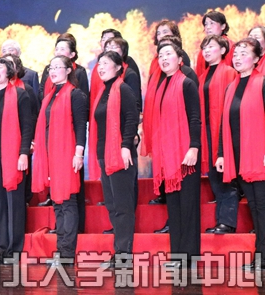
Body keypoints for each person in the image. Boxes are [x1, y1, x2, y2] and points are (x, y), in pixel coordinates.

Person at [148, 41, 201, 268]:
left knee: (188, 207)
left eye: (168, 54)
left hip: (186, 154)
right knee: (174, 207)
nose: (163, 58)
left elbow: (195, 118)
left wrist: (194, 147)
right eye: (160, 55)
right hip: (168, 157)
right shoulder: (161, 86)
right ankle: (178, 255)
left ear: (180, 60)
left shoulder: (186, 83)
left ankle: (189, 256)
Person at [32, 56, 88, 267]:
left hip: (67, 154)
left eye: (58, 67)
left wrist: (79, 153)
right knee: (57, 203)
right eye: (51, 68)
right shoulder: (49, 96)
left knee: (67, 202)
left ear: (68, 70)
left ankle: (66, 253)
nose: (53, 71)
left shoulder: (75, 94)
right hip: (50, 155)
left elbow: (81, 126)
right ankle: (60, 251)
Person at [216, 38, 265, 272]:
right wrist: (222, 154)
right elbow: (224, 124)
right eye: (235, 53)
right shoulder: (231, 87)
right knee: (254, 207)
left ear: (256, 59)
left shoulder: (262, 83)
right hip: (240, 158)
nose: (237, 57)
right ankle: (261, 256)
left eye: (244, 53)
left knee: (262, 207)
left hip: (259, 157)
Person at [0, 58, 33, 264]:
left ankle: (14, 250)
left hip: (13, 156)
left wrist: (23, 153)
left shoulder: (20, 94)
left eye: (0, 68)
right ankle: (1, 250)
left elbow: (27, 127)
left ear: (9, 72)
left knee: (14, 204)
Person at [89, 51, 139, 269]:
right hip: (104, 154)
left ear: (119, 67)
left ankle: (124, 254)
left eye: (106, 63)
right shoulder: (103, 91)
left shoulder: (123, 89)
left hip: (120, 154)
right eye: (99, 63)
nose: (100, 67)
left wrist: (126, 146)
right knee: (111, 205)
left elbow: (131, 119)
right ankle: (118, 251)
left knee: (122, 206)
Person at [198, 36, 238, 234]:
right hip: (207, 131)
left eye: (211, 47)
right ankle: (221, 221)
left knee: (225, 178)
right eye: (204, 48)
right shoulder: (202, 76)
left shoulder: (230, 72)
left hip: (223, 130)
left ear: (223, 50)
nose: (206, 51)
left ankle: (227, 222)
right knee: (215, 175)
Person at [41, 34, 89, 98]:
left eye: (62, 49)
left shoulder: (79, 71)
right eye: (56, 49)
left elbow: (84, 96)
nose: (58, 52)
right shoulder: (48, 68)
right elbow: (41, 91)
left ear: (72, 54)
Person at [194, 11, 234, 76]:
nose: (208, 27)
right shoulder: (203, 48)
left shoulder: (230, 45)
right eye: (206, 24)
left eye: (212, 23)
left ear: (223, 26)